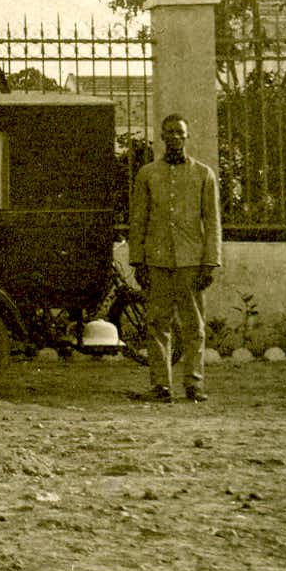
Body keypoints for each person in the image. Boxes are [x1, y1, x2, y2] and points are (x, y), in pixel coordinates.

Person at [129, 113, 220, 402]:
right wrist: (138, 261)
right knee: (157, 323)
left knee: (193, 325)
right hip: (156, 262)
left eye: (180, 133)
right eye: (169, 133)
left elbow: (213, 222)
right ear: (162, 137)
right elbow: (138, 220)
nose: (175, 138)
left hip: (191, 262)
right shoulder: (147, 174)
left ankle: (194, 384)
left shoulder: (204, 174)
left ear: (187, 136)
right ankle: (161, 385)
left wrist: (210, 262)